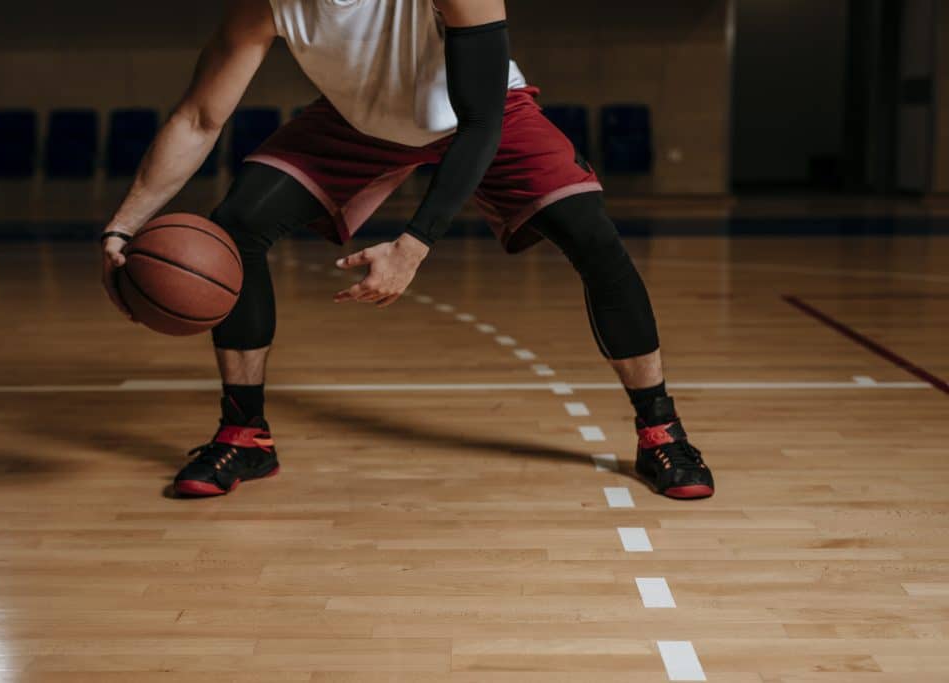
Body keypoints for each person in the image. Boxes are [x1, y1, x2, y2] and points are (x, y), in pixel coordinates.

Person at [100, 0, 714, 500]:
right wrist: (124, 228)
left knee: (593, 236)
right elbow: (200, 119)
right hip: (359, 125)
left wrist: (412, 246)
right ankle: (245, 435)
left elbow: (479, 125)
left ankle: (660, 429)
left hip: (484, 117)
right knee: (235, 226)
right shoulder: (266, 4)